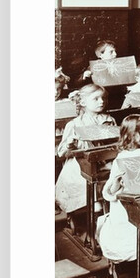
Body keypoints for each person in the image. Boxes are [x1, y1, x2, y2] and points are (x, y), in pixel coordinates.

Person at [97, 114, 140, 262]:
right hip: (131, 202)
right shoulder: (123, 158)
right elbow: (109, 192)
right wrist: (116, 184)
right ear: (133, 135)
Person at [55, 83, 118, 215]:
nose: (101, 102)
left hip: (106, 161)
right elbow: (62, 153)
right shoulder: (74, 124)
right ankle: (94, 209)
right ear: (83, 102)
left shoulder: (109, 120)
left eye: (103, 98)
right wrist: (70, 144)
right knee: (84, 180)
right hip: (81, 164)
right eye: (96, 99)